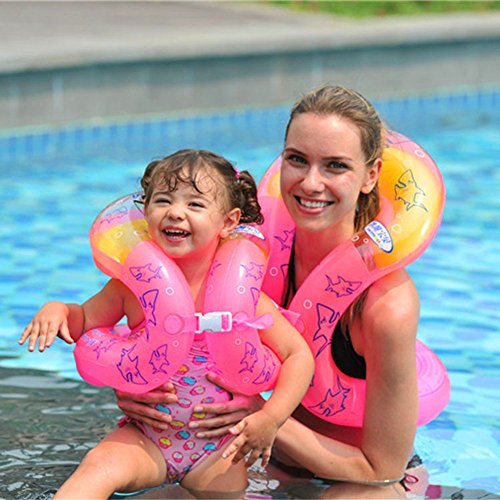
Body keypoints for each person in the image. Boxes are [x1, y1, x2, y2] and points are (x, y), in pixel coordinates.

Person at [114, 86, 426, 498]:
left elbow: (381, 469)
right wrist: (136, 384)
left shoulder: (387, 306)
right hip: (260, 455)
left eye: (335, 166)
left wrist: (264, 414)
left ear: (371, 176)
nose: (311, 183)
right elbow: (163, 326)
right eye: (297, 160)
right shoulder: (241, 259)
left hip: (357, 478)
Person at [19, 149, 314, 498]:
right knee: (97, 467)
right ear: (146, 213)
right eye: (163, 200)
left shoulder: (243, 296)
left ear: (228, 222)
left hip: (218, 446)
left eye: (195, 204)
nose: (175, 212)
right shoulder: (132, 288)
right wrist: (57, 309)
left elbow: (298, 356)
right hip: (147, 438)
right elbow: (83, 320)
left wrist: (271, 418)